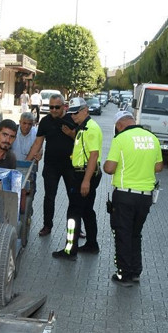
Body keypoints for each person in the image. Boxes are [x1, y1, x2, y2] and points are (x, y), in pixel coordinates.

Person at [102, 111, 163, 285]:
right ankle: (136, 271)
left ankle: (124, 274)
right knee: (135, 234)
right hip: (145, 197)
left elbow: (110, 168)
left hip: (124, 195)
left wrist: (110, 164)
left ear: (119, 125)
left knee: (122, 233)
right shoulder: (152, 138)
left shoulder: (120, 139)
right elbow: (158, 167)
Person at [52, 97, 102, 260]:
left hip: (85, 174)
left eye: (76, 113)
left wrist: (86, 181)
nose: (73, 116)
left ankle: (70, 249)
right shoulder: (84, 127)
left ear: (85, 110)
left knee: (73, 213)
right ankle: (91, 245)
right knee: (87, 210)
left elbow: (94, 155)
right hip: (85, 173)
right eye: (71, 113)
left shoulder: (91, 128)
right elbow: (85, 148)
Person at [25, 94, 75, 237]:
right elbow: (37, 143)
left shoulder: (72, 119)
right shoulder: (45, 121)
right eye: (50, 107)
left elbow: (81, 139)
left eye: (56, 107)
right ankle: (47, 225)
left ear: (64, 106)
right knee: (49, 197)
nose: (53, 110)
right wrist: (26, 164)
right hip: (51, 166)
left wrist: (71, 134)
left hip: (70, 166)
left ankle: (76, 226)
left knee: (73, 198)